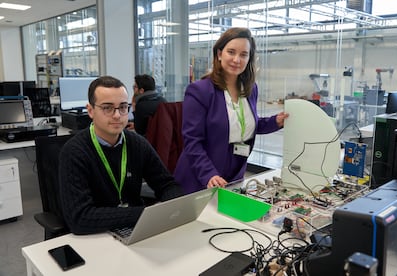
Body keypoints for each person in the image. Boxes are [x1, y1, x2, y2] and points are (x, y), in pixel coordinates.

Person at [59, 75, 183, 235]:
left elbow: (167, 184)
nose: (117, 115)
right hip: (95, 236)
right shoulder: (74, 152)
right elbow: (80, 218)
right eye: (107, 108)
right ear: (90, 111)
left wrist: (174, 207)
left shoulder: (137, 143)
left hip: (134, 229)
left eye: (123, 107)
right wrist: (146, 213)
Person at [174, 27, 289, 194]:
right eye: (231, 52)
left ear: (249, 59)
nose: (237, 59)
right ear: (219, 54)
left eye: (243, 54)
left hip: (234, 173)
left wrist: (275, 122)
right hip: (201, 176)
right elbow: (192, 141)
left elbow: (246, 126)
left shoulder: (250, 89)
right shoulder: (200, 90)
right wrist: (208, 174)